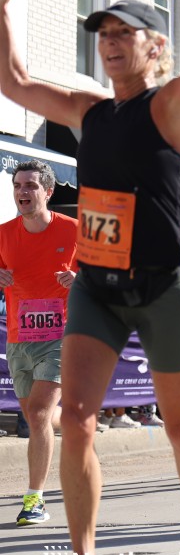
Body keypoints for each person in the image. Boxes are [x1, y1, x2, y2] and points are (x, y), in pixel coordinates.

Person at [0, 0, 180, 555]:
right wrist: (4, 8)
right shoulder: (88, 111)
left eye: (124, 32)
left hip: (162, 286)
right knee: (74, 417)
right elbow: (14, 82)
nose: (110, 42)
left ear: (154, 47)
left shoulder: (171, 109)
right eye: (103, 34)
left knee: (179, 423)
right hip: (97, 286)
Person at [0, 160, 78, 526]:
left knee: (40, 415)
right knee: (34, 417)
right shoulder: (3, 234)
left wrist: (81, 280)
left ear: (48, 191)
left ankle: (34, 499)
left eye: (30, 185)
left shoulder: (75, 231)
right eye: (18, 185)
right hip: (19, 338)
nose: (22, 191)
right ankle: (76, 420)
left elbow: (110, 275)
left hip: (60, 337)